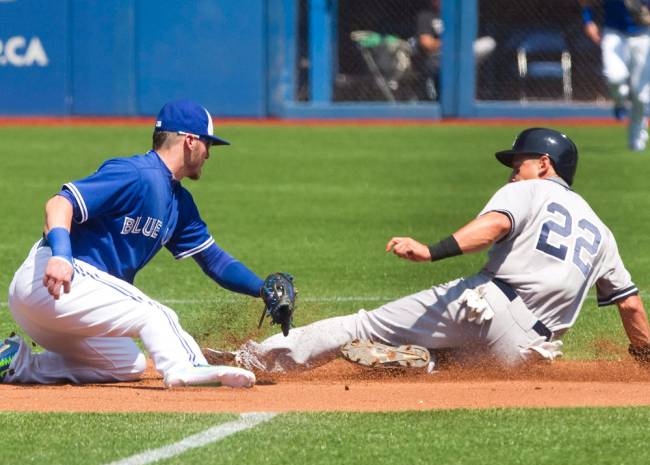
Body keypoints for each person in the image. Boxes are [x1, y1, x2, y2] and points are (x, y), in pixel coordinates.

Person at [204, 128, 650, 373]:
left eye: (519, 163)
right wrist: (645, 359)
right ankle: (428, 363)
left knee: (363, 325)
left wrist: (431, 251)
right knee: (453, 358)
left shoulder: (530, 190)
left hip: (490, 307)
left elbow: (494, 226)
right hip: (530, 354)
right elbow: (630, 306)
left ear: (544, 165)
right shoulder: (602, 230)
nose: (514, 172)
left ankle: (254, 360)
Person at [0, 99, 284, 388]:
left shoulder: (179, 202)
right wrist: (61, 256)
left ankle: (15, 363)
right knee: (154, 313)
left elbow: (215, 261)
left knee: (127, 364)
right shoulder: (135, 174)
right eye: (207, 144)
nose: (209, 154)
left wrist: (262, 289)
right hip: (51, 280)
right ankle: (187, 367)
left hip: (63, 305)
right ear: (189, 141)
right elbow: (60, 204)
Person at [581, 0, 650, 151]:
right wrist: (588, 21)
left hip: (644, 34)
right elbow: (585, 2)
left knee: (641, 95)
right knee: (613, 77)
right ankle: (620, 101)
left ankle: (637, 138)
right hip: (614, 32)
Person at [414, 0, 496, 101]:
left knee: (488, 42)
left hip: (461, 52)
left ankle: (464, 90)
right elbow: (426, 43)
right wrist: (448, 43)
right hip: (440, 56)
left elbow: (466, 39)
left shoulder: (456, 16)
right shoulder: (426, 16)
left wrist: (458, 44)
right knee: (463, 62)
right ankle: (464, 91)